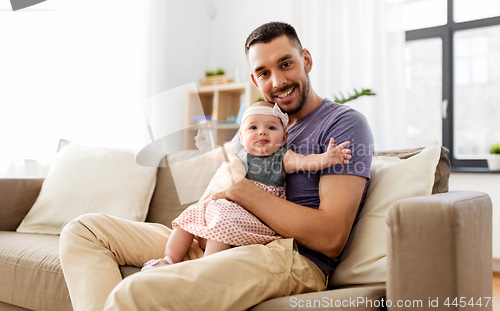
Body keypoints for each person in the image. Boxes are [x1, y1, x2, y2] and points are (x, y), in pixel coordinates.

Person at [59, 21, 374, 311]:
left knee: (136, 292)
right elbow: (220, 174)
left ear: (306, 59)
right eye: (263, 73)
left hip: (285, 253)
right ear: (254, 79)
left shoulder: (342, 125)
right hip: (211, 233)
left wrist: (240, 191)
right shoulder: (252, 126)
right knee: (84, 230)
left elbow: (330, 239)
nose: (277, 81)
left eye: (286, 64)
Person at [141, 101, 352, 270]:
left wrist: (328, 158)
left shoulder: (283, 156)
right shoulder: (236, 151)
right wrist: (205, 146)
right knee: (191, 214)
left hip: (256, 215)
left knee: (222, 219)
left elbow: (307, 163)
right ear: (241, 136)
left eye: (271, 127)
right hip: (224, 206)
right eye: (253, 127)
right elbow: (216, 153)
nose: (262, 132)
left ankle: (205, 269)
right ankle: (169, 260)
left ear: (284, 136)